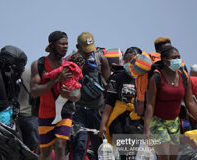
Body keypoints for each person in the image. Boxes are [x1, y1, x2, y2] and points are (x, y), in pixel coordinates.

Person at [144, 46, 197, 160]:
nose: (177, 60)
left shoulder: (184, 77)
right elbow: (150, 105)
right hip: (158, 123)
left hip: (174, 123)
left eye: (178, 57)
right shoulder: (156, 77)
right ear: (165, 61)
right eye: (174, 57)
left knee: (173, 157)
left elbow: (189, 102)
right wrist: (146, 129)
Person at [30, 31, 81, 160]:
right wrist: (56, 80)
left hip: (65, 113)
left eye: (67, 44)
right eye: (62, 44)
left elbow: (77, 96)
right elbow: (35, 91)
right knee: (45, 153)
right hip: (45, 114)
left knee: (60, 146)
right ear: (52, 45)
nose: (65, 47)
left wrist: (68, 95)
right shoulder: (39, 64)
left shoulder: (70, 66)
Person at [99, 52, 152, 159]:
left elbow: (150, 104)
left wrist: (148, 127)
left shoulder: (147, 79)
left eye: (131, 60)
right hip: (119, 119)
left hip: (138, 119)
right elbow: (109, 102)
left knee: (134, 154)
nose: (128, 63)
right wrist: (103, 123)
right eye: (126, 60)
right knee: (124, 153)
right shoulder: (117, 78)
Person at [71, 32, 110, 160]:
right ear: (78, 46)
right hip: (78, 109)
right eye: (85, 50)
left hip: (97, 109)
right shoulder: (71, 59)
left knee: (100, 146)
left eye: (90, 50)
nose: (88, 53)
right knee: (80, 144)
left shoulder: (101, 58)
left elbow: (108, 84)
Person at [18, 67, 39, 152]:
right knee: (33, 150)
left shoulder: (17, 73)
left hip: (16, 116)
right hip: (30, 116)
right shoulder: (35, 74)